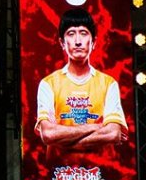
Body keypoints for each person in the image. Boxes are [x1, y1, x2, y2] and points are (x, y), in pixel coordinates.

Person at [36, 8, 127, 149]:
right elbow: (48, 134)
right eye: (71, 34)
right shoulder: (48, 84)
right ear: (62, 43)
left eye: (83, 33)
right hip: (58, 163)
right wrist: (98, 127)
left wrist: (62, 140)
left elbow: (112, 133)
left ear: (93, 42)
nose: (78, 41)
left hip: (100, 163)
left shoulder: (108, 83)